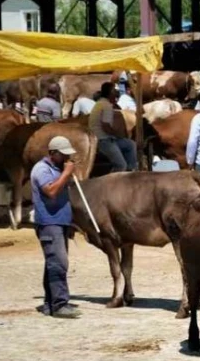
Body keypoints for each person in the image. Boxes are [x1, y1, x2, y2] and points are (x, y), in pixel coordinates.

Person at [31, 135, 81, 319]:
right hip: (49, 223)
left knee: (53, 263)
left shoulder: (56, 168)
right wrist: (67, 173)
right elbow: (51, 192)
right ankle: (60, 304)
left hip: (60, 221)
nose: (67, 159)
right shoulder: (41, 170)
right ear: (53, 153)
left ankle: (49, 303)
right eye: (63, 155)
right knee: (59, 263)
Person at [88, 82, 138, 172]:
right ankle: (114, 182)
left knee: (130, 144)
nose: (116, 92)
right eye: (114, 90)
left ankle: (131, 171)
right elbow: (106, 126)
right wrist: (117, 134)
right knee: (121, 165)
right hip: (103, 141)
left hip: (105, 139)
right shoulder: (106, 106)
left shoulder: (100, 103)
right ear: (110, 92)